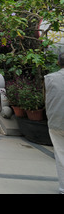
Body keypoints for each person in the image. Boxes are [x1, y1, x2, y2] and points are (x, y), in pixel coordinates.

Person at [44, 52, 64, 194]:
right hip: (56, 122)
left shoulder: (49, 78)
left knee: (61, 155)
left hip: (56, 122)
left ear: (58, 63)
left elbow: (46, 99)